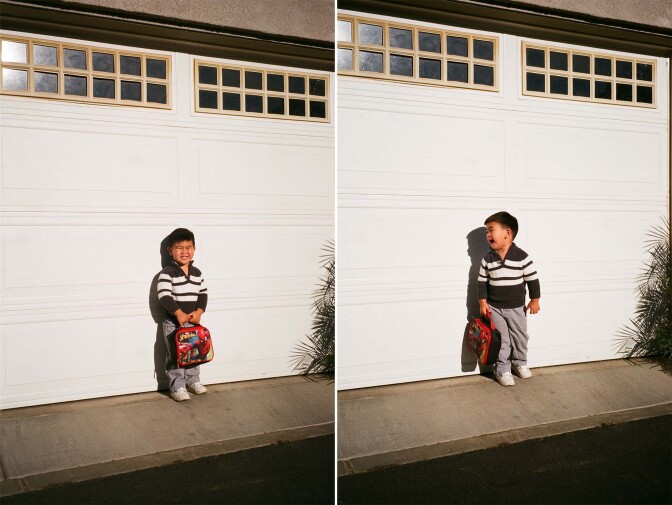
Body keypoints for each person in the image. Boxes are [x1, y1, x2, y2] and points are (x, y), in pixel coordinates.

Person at [477, 212, 540, 387]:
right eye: (486, 232)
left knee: (520, 337)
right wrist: (482, 302)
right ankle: (502, 369)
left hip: (517, 308)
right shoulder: (488, 259)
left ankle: (519, 363)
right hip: (495, 308)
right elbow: (481, 282)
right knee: (502, 339)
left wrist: (534, 300)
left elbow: (533, 280)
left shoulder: (522, 257)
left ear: (507, 233)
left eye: (491, 230)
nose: (487, 235)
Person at [157, 228, 209, 401]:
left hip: (192, 321)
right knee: (176, 353)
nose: (184, 251)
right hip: (174, 322)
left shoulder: (197, 273)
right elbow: (164, 295)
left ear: (194, 249)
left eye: (188, 247)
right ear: (170, 251)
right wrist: (178, 313)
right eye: (179, 247)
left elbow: (203, 294)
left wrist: (199, 312)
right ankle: (177, 386)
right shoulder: (167, 273)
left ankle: (193, 380)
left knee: (194, 351)